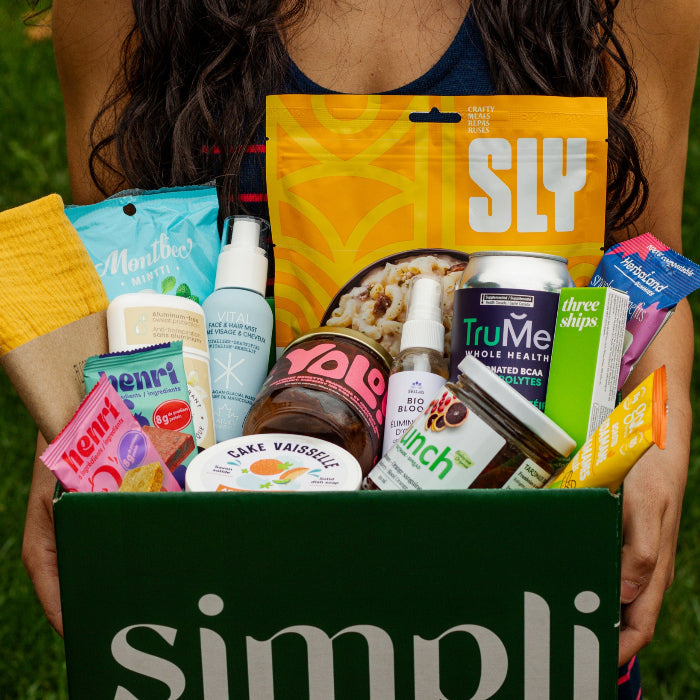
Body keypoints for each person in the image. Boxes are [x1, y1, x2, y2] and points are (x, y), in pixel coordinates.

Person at [23, 0, 699, 695]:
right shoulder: (119, 10)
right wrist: (78, 429)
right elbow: (121, 263)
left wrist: (661, 441)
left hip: (511, 590)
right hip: (234, 587)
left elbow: (650, 269)